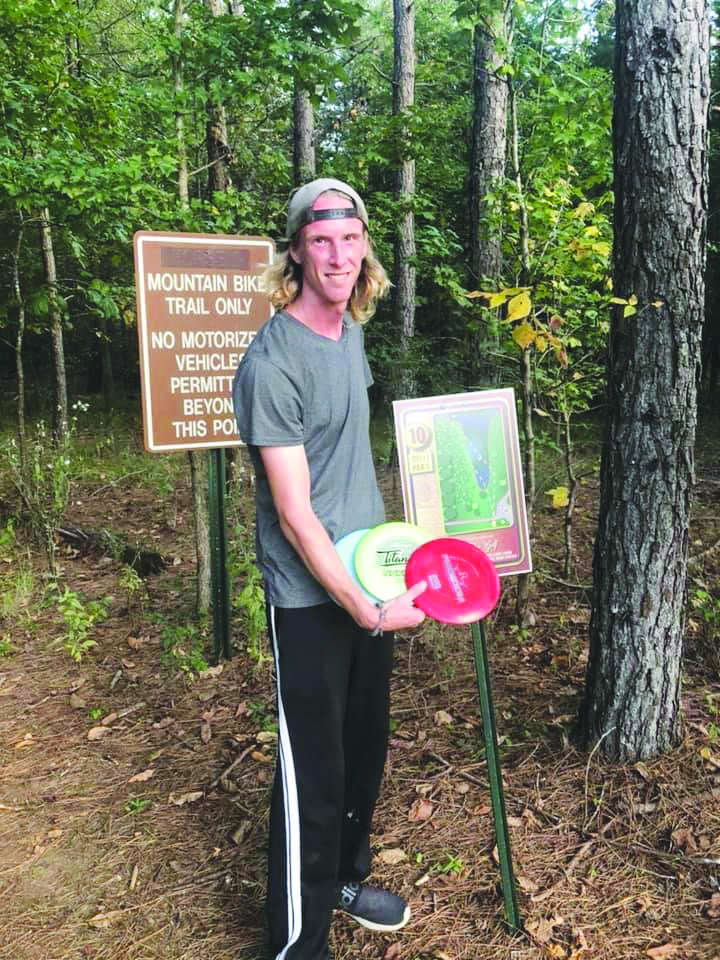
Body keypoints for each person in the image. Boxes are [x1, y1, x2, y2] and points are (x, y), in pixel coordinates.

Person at [232, 177, 426, 960]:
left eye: (350, 240)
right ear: (296, 252)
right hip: (311, 598)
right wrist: (363, 607)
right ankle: (296, 940)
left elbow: (348, 461)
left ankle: (341, 880)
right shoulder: (270, 363)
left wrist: (391, 568)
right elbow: (294, 513)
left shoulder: (349, 332)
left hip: (367, 574)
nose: (338, 256)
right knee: (311, 769)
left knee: (362, 743)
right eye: (321, 242)